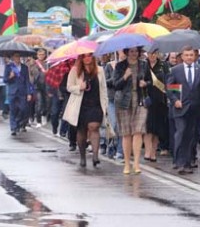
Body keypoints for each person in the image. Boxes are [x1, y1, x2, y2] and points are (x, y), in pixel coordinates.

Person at [167, 46, 200, 175]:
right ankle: (179, 162)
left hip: (195, 108)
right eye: (186, 55)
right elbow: (169, 88)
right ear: (182, 56)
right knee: (181, 133)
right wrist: (175, 100)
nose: (189, 57)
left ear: (195, 56)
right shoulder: (175, 70)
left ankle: (187, 163)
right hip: (180, 108)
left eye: (191, 55)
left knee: (191, 136)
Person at [113, 47, 151, 175]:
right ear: (126, 52)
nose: (134, 54)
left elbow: (151, 80)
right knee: (127, 133)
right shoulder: (120, 66)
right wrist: (125, 76)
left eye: (136, 51)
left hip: (140, 100)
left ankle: (136, 164)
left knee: (138, 131)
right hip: (124, 102)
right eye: (131, 51)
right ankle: (127, 163)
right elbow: (115, 85)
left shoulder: (144, 65)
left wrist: (145, 83)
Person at [66, 53, 107, 167]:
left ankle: (95, 155)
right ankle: (82, 156)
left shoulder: (99, 70)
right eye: (84, 56)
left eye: (89, 55)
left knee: (94, 127)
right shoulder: (75, 71)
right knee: (82, 130)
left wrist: (105, 104)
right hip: (81, 105)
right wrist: (79, 87)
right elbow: (69, 87)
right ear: (81, 58)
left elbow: (103, 89)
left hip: (96, 104)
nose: (87, 58)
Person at [144, 50, 170, 162]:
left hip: (160, 100)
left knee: (157, 129)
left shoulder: (163, 65)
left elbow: (168, 81)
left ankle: (154, 152)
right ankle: (148, 151)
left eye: (154, 53)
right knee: (148, 127)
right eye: (150, 53)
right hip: (147, 98)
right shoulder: (143, 65)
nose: (152, 56)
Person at [5, 53, 33, 136]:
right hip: (12, 92)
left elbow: (27, 81)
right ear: (13, 58)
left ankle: (18, 122)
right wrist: (10, 76)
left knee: (23, 109)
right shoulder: (9, 67)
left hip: (22, 92)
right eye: (15, 57)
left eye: (18, 56)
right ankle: (13, 128)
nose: (17, 58)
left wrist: (29, 93)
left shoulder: (24, 67)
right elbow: (5, 80)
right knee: (13, 110)